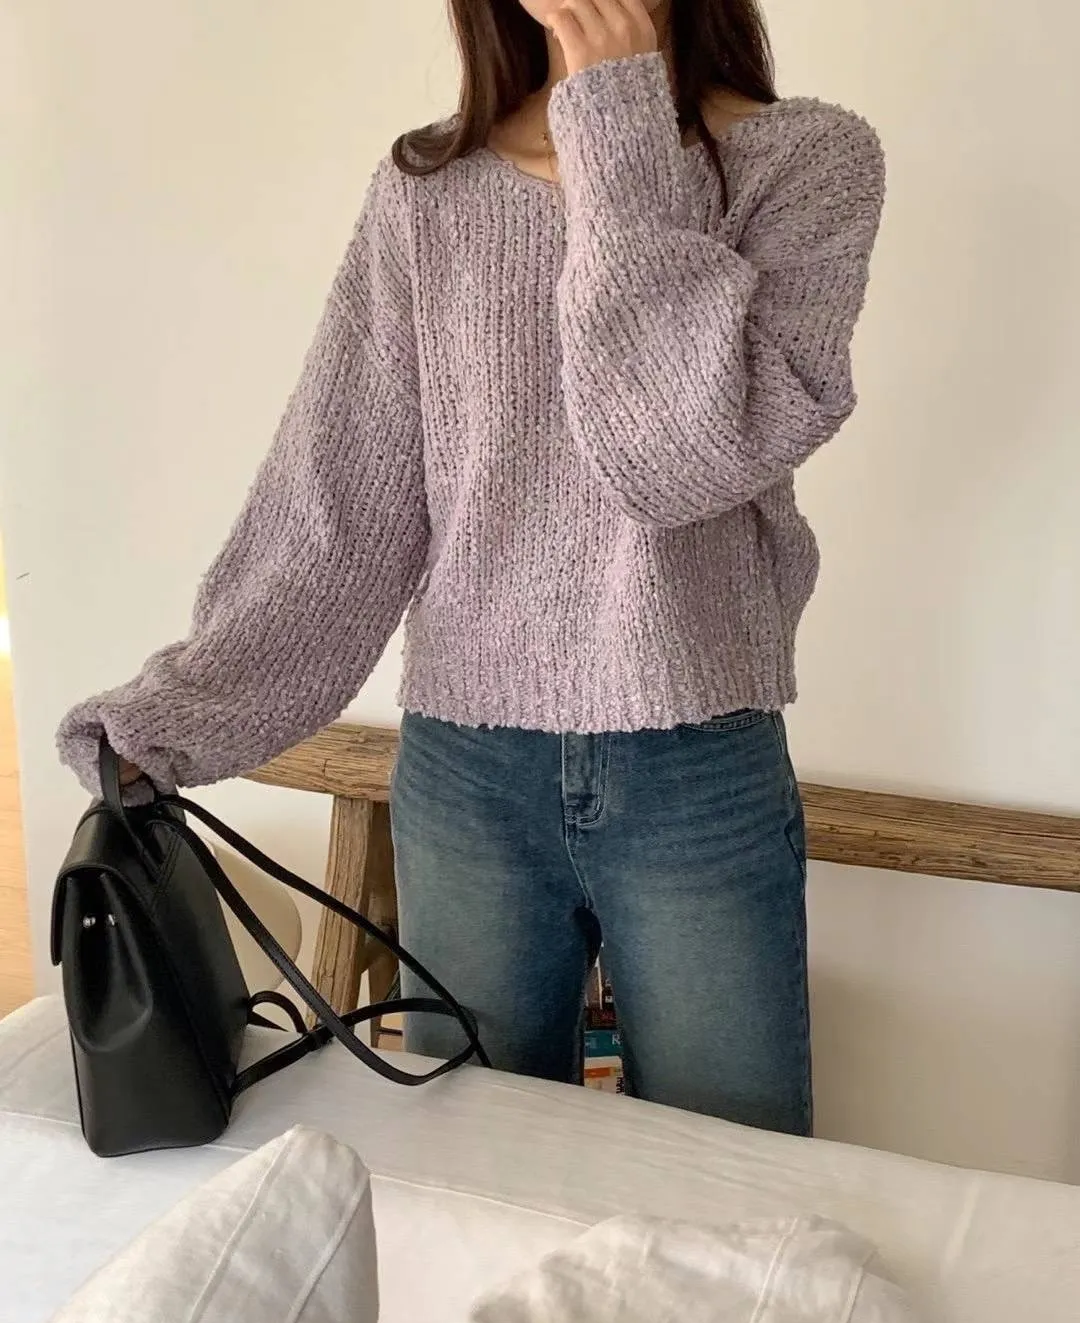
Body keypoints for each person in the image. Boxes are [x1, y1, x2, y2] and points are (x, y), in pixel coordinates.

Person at [58, 0, 885, 1135]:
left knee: (730, 1175)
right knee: (471, 1150)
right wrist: (179, 715)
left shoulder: (808, 161)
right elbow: (345, 497)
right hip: (468, 773)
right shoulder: (427, 191)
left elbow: (682, 458)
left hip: (697, 761)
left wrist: (615, 124)